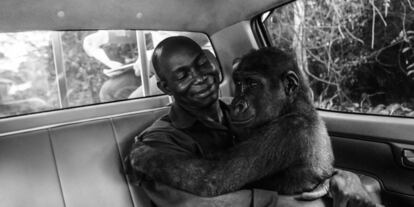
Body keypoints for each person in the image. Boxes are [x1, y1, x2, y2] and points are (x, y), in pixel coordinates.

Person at [127, 36, 379, 207]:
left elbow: (290, 168)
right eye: (182, 75)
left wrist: (335, 179)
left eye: (202, 65)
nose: (200, 78)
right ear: (164, 86)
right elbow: (193, 202)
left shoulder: (261, 116)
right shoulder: (159, 140)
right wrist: (284, 202)